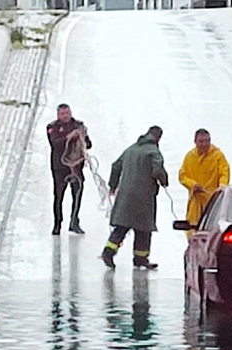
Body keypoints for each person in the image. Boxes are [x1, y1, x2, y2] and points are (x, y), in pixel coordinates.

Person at [103, 126, 168, 270]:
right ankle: (140, 259)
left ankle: (108, 252)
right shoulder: (153, 151)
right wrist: (164, 181)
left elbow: (115, 166)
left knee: (121, 226)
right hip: (143, 196)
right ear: (158, 137)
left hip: (125, 194)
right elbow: (157, 170)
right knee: (143, 229)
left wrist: (113, 186)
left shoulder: (131, 149)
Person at [46, 104, 92, 235]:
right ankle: (57, 223)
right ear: (58, 115)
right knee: (58, 196)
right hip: (59, 168)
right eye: (62, 114)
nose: (65, 116)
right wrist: (69, 137)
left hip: (76, 168)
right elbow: (55, 144)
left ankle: (74, 222)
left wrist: (82, 139)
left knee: (77, 195)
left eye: (67, 113)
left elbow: (88, 144)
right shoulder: (52, 127)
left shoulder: (79, 125)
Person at [178, 128, 230, 236]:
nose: (204, 144)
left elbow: (224, 173)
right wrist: (193, 185)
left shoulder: (217, 156)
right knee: (192, 231)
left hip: (212, 201)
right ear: (195, 142)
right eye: (201, 141)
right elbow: (183, 176)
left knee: (212, 232)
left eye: (207, 141)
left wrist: (221, 188)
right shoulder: (190, 157)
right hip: (196, 200)